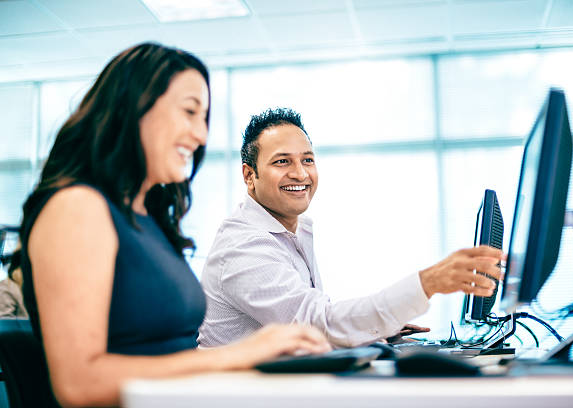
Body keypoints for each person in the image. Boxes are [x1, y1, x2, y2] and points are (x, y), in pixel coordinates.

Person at [11, 45, 329, 408]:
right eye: (189, 112)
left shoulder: (148, 218)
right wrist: (240, 354)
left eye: (204, 118)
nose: (200, 135)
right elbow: (80, 384)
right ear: (134, 109)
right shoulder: (77, 207)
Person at [198, 108, 504, 349]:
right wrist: (426, 283)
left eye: (308, 159)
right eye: (282, 162)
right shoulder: (244, 246)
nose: (301, 173)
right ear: (250, 176)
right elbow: (318, 326)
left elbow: (316, 322)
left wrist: (375, 330)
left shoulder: (289, 231)